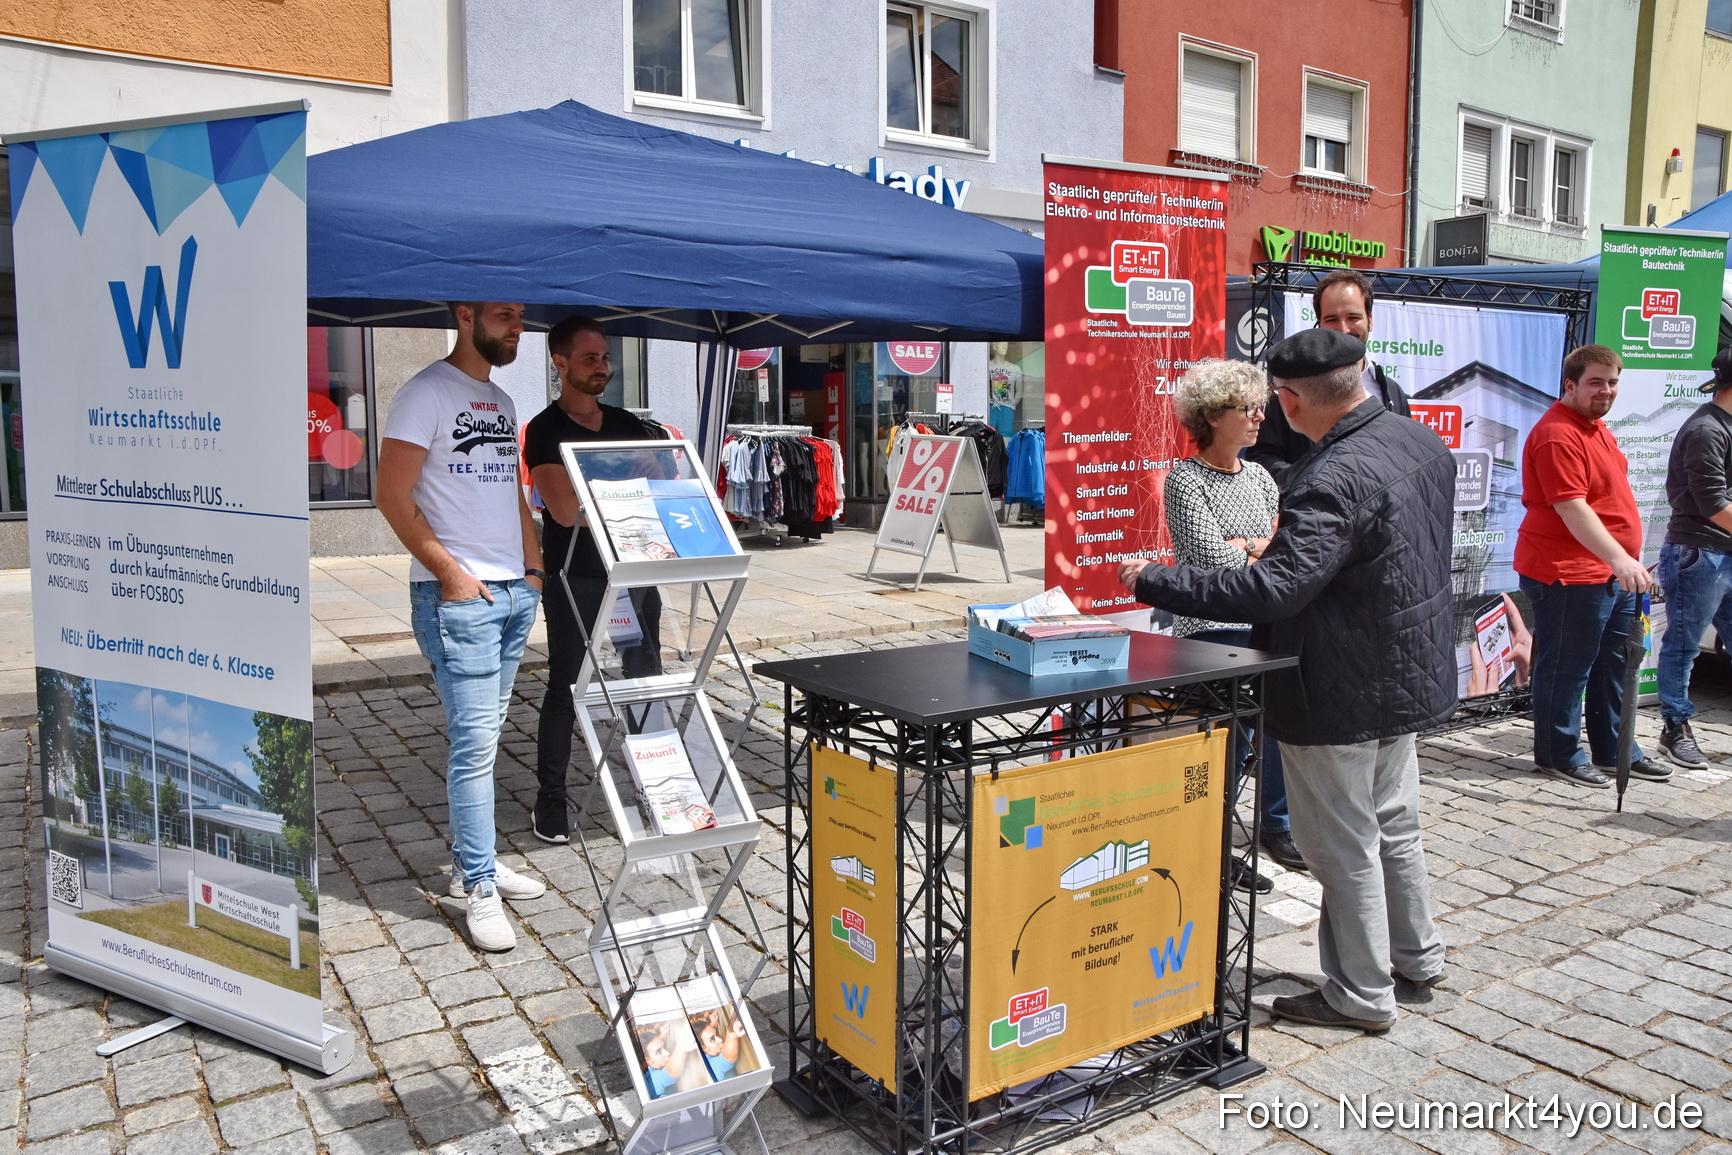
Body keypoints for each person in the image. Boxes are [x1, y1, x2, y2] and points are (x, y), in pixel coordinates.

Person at [1121, 328, 1453, 1033]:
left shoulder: (1332, 474)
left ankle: (1361, 992)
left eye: (1271, 401)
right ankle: (1416, 956)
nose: (1265, 414)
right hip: (1403, 670)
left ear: (1292, 400)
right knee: (1394, 823)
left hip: (1340, 682)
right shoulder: (1418, 440)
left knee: (1344, 841)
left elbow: (1273, 587)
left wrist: (1154, 579)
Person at [379, 301, 548, 953]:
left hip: (512, 594)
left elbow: (512, 493)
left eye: (521, 316)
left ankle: (477, 860)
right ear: (465, 314)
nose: (517, 327)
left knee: (488, 739)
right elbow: (391, 494)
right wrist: (451, 574)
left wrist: (532, 570)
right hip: (459, 598)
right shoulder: (424, 393)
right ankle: (477, 883)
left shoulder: (502, 402)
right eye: (504, 315)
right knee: (474, 747)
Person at [524, 315, 667, 844]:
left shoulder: (627, 423)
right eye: (590, 358)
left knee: (643, 677)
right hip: (575, 576)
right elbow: (565, 511)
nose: (602, 367)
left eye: (605, 357)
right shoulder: (545, 429)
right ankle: (551, 800)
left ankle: (658, 784)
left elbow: (659, 487)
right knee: (568, 685)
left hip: (634, 571)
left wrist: (601, 493)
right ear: (559, 363)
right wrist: (624, 490)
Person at [1162, 359, 1305, 883]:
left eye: (1260, 407)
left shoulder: (1262, 477)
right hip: (1208, 627)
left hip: (1261, 620)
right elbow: (1208, 559)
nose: (1259, 417)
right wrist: (1254, 550)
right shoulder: (1185, 479)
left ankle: (1275, 825)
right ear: (1213, 415)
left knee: (1276, 725)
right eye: (1248, 408)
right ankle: (1211, 845)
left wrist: (1245, 547)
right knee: (1226, 739)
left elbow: (1281, 551)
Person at [1515, 345, 1672, 787]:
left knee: (1614, 666)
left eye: (1613, 382)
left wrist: (1622, 561)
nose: (1606, 390)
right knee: (1567, 668)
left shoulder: (1596, 427)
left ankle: (1615, 751)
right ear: (1570, 385)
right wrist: (1620, 558)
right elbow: (1571, 507)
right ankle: (1559, 755)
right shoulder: (1557, 434)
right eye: (1596, 382)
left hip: (1609, 573)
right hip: (1568, 572)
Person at [1248, 268, 1412, 487]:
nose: (1343, 329)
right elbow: (1262, 460)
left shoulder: (1391, 391)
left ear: (1370, 320)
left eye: (1353, 317)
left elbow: (1404, 457)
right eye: (1332, 319)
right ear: (1319, 324)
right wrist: (1315, 483)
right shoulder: (1290, 387)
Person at [1653, 348, 1732, 767]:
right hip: (1699, 553)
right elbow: (1713, 503)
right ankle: (1674, 729)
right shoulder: (1707, 429)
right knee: (1683, 648)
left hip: (1724, 552)